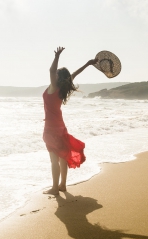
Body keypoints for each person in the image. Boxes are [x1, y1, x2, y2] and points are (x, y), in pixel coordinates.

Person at [43, 46, 98, 195]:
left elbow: (51, 71)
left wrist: (57, 56)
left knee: (54, 159)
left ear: (57, 77)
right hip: (60, 127)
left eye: (56, 75)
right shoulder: (62, 88)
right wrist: (87, 64)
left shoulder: (54, 87)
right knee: (62, 157)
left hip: (51, 128)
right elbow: (74, 74)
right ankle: (62, 186)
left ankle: (55, 188)